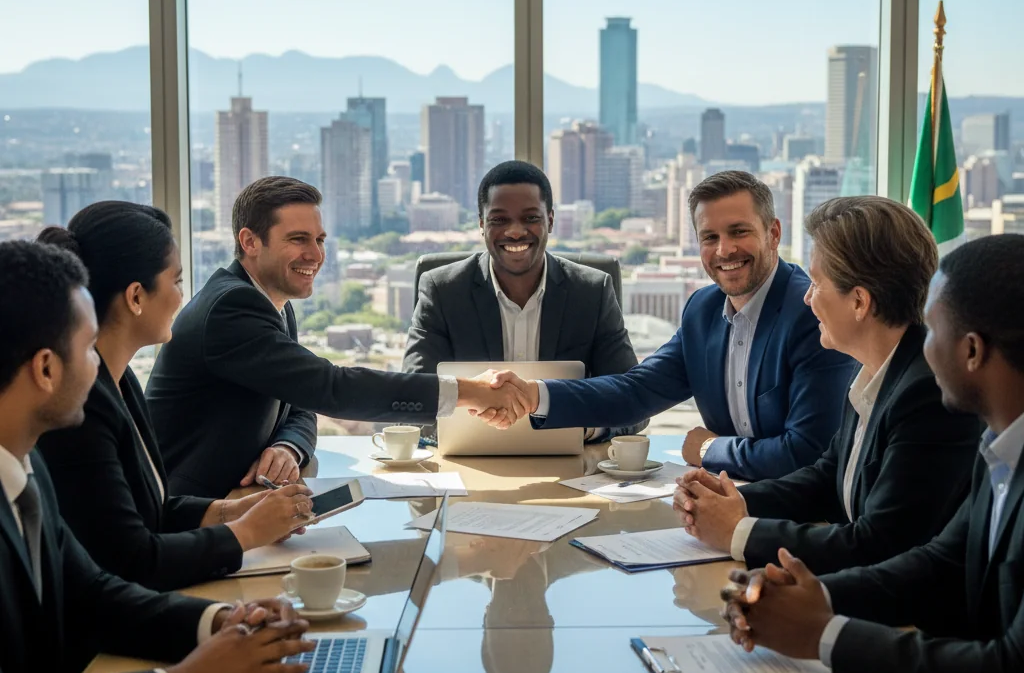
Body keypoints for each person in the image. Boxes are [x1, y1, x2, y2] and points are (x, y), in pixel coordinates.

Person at [0, 240, 313, 673]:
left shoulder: (26, 468)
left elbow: (91, 593)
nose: (98, 366)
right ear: (46, 369)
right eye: (88, 347)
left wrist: (221, 623)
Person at [721, 234, 1024, 673]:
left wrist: (823, 634)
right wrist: (811, 597)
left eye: (933, 331)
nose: (922, 346)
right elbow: (942, 563)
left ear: (972, 351)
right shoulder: (1001, 445)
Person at [147, 177, 530, 497]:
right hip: (188, 514)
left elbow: (300, 404)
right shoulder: (232, 309)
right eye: (298, 239)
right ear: (250, 242)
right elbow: (332, 388)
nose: (315, 255)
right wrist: (469, 392)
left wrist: (288, 446)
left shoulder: (272, 303)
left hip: (243, 502)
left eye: (319, 240)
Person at [479, 171, 855, 480]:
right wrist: (534, 395)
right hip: (726, 502)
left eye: (739, 231)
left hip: (803, 519)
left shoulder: (811, 312)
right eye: (710, 237)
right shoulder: (703, 310)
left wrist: (710, 449)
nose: (724, 250)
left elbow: (807, 453)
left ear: (773, 234)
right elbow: (635, 392)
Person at [673, 196, 979, 574]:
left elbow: (878, 544)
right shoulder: (873, 371)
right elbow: (825, 479)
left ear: (859, 302)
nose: (806, 297)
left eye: (817, 284)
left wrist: (738, 533)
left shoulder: (928, 395)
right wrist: (729, 500)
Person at [35, 203, 314, 591]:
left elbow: (149, 511)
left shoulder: (120, 379)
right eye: (177, 281)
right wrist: (246, 533)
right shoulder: (80, 409)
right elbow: (131, 559)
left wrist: (232, 511)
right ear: (136, 297)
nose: (182, 297)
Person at [402, 160, 647, 440]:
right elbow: (411, 400)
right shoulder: (443, 291)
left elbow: (635, 400)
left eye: (530, 218)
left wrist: (580, 429)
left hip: (572, 462)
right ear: (481, 224)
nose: (515, 231)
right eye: (499, 220)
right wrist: (458, 427)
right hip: (467, 460)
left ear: (550, 221)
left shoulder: (592, 292)